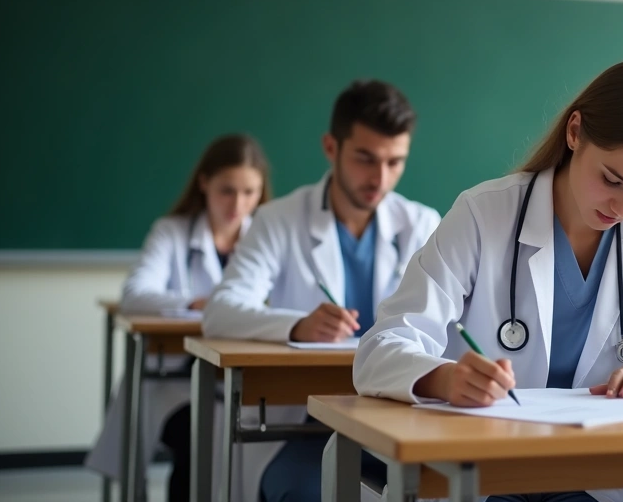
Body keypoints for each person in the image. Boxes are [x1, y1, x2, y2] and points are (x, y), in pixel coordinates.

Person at [354, 58, 623, 502]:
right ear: (574, 132)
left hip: (591, 473)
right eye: (612, 179)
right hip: (482, 466)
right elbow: (379, 350)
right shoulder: (484, 214)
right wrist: (444, 379)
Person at [203, 80, 441, 502]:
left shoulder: (421, 224)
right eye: (365, 159)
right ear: (331, 147)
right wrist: (297, 326)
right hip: (301, 429)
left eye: (395, 162)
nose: (380, 178)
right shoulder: (278, 220)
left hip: (398, 421)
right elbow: (220, 312)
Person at [85, 134, 271, 502]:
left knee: (262, 445)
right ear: (204, 184)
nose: (238, 204)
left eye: (249, 192)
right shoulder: (171, 232)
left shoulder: (266, 239)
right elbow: (135, 295)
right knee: (198, 439)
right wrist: (198, 303)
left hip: (240, 383)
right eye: (227, 190)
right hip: (174, 384)